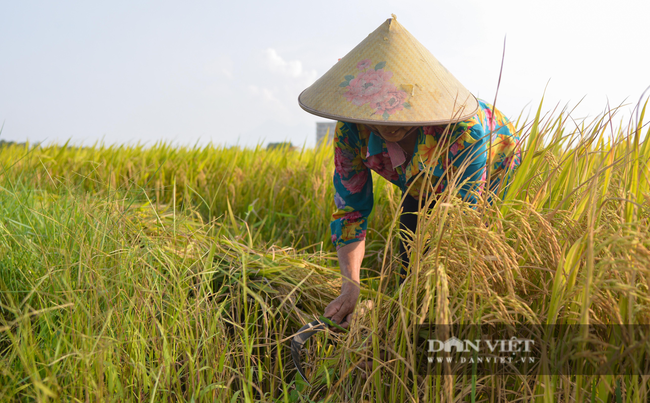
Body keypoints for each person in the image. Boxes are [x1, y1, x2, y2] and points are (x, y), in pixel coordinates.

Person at [298, 15, 521, 329]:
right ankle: (399, 318)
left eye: (400, 108)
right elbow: (351, 210)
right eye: (378, 110)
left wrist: (423, 291)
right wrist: (351, 285)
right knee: (408, 245)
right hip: (417, 178)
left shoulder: (465, 132)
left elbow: (459, 228)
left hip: (492, 159)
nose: (390, 122)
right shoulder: (351, 131)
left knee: (448, 265)